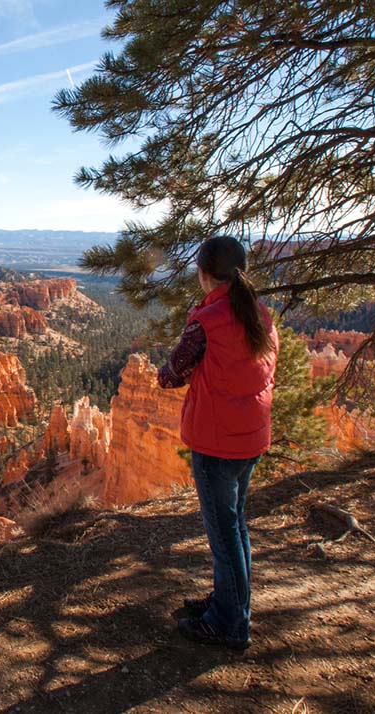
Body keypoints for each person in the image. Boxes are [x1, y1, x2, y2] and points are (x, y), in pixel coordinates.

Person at [157, 235, 279, 650]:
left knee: (223, 534)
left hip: (216, 442)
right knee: (236, 526)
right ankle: (227, 603)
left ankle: (229, 624)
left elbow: (172, 372)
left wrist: (174, 372)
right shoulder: (260, 313)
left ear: (204, 274)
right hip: (251, 437)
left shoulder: (207, 319)